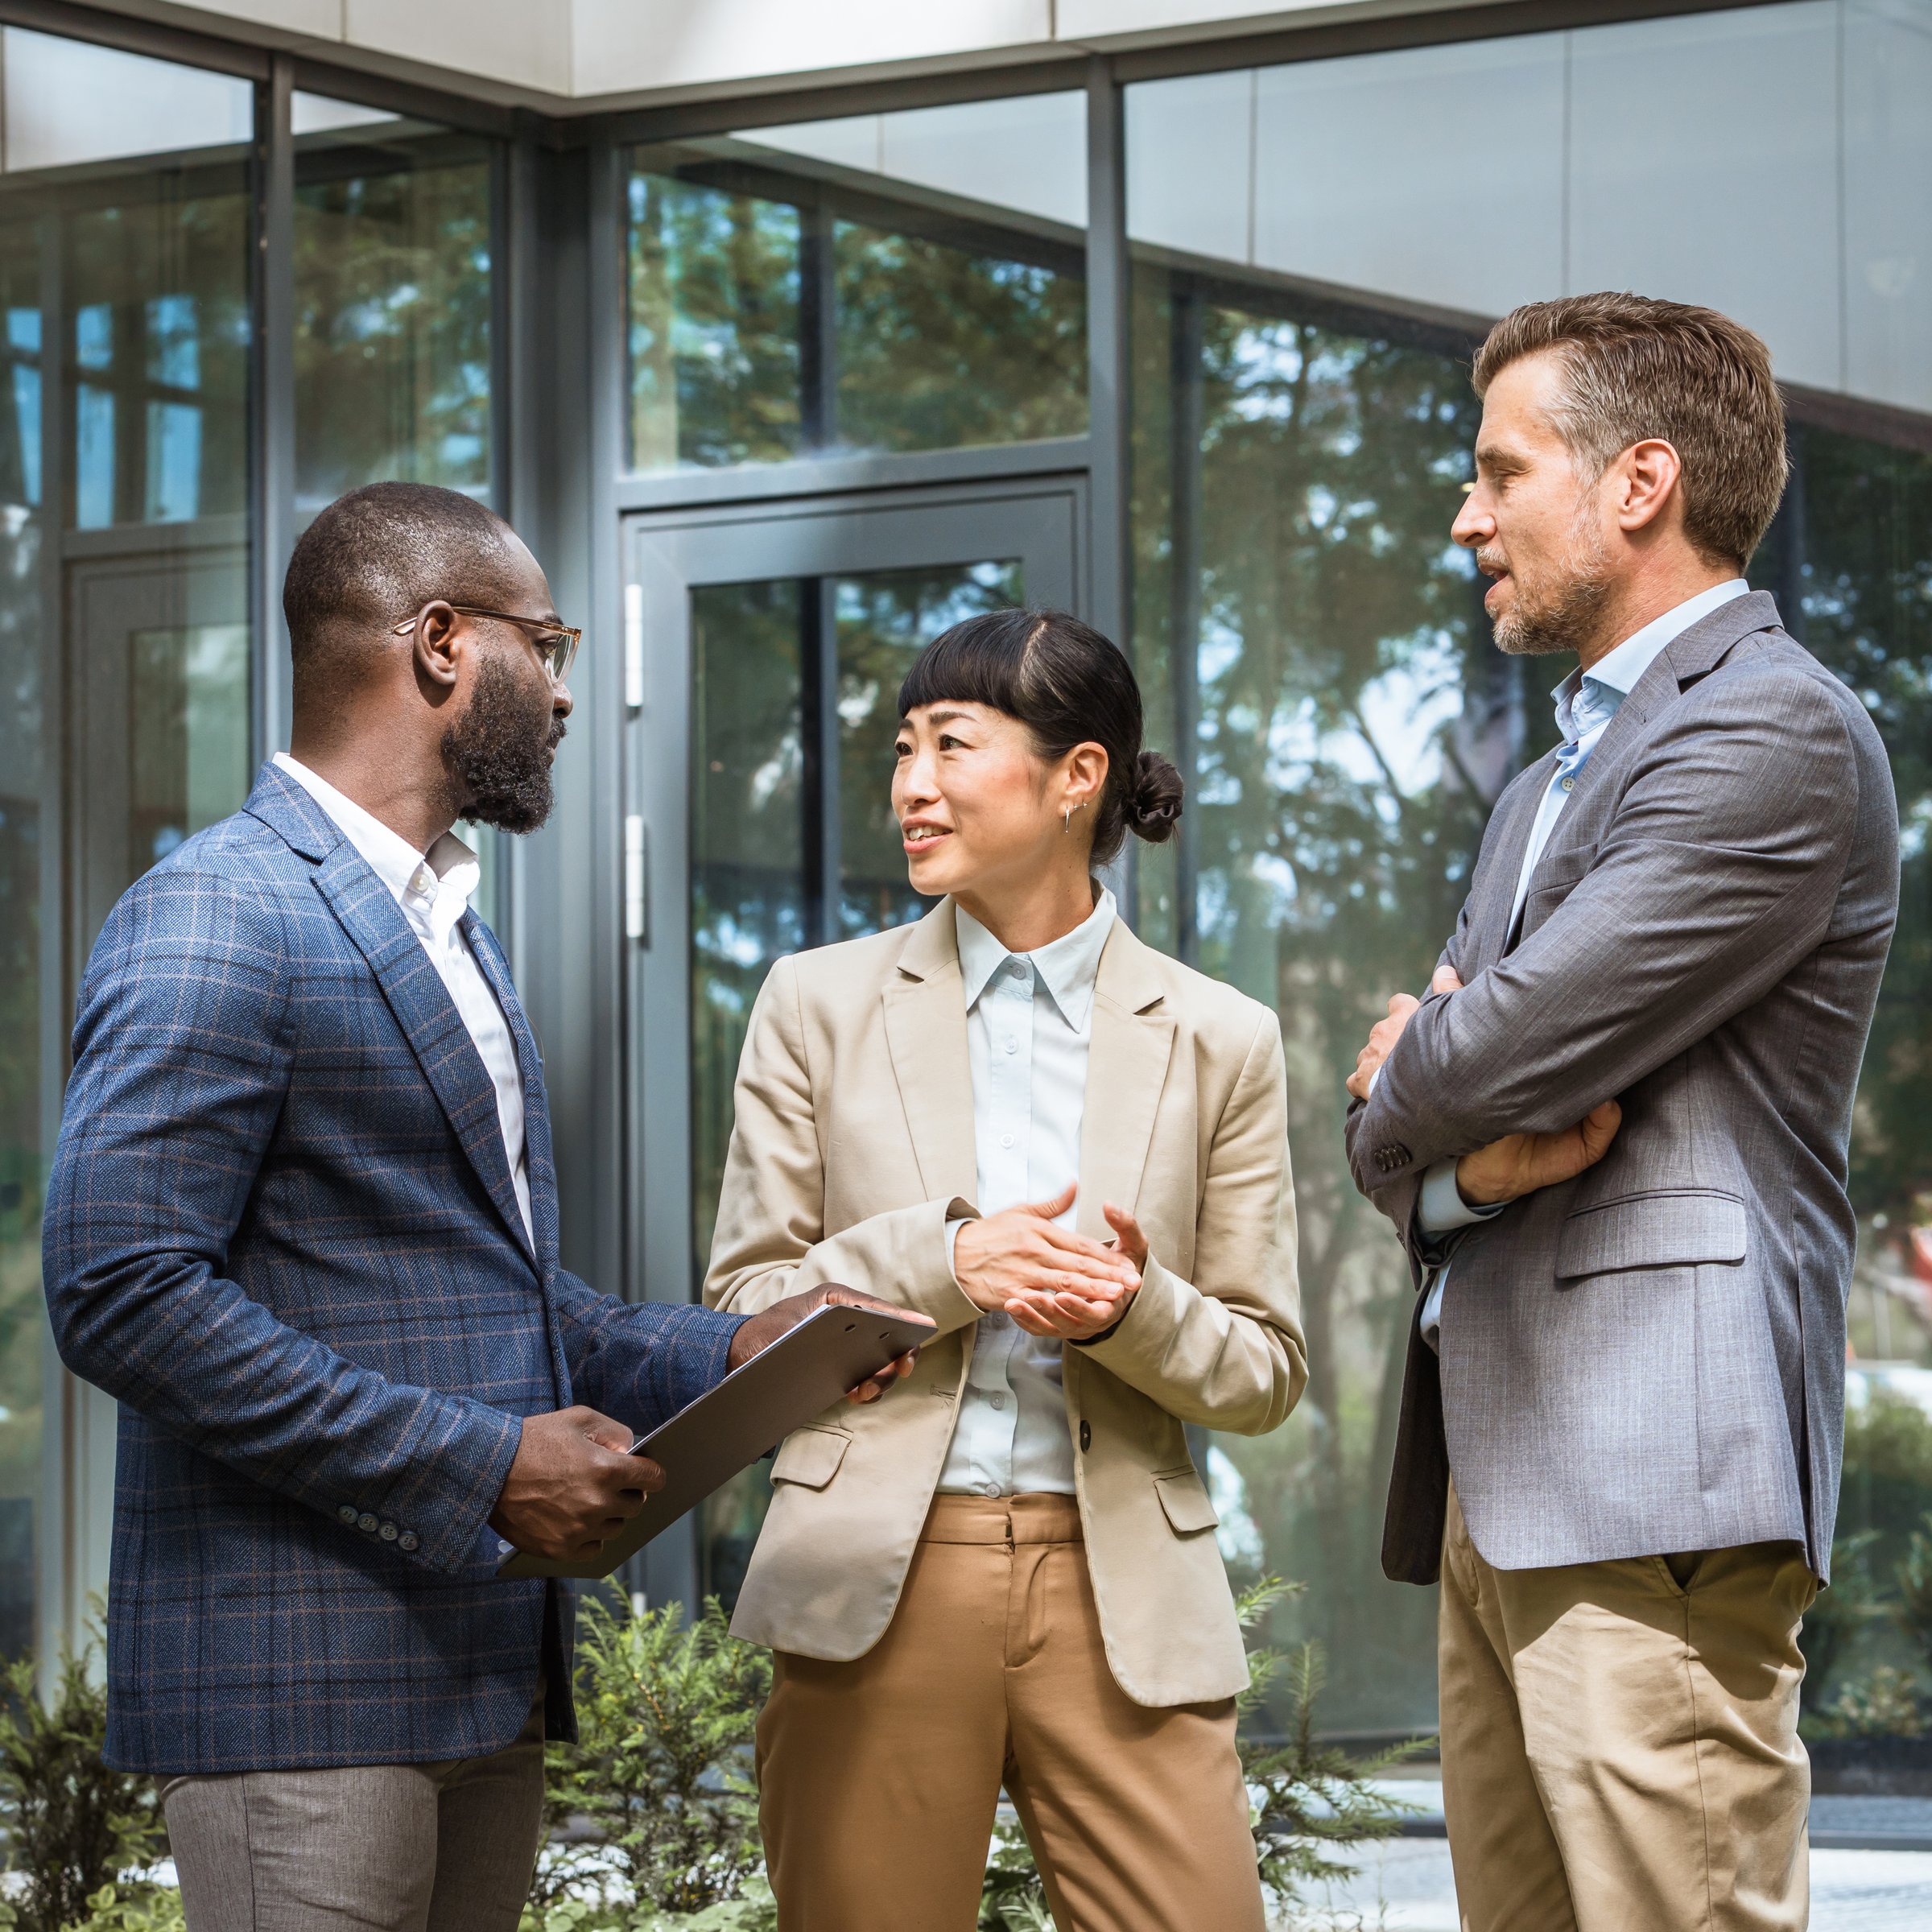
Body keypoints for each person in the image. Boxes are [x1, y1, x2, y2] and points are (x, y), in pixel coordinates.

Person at [42, 481, 919, 1932]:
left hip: (477, 1678)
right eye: (549, 645)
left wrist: (735, 1354)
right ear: (442, 642)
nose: (566, 694)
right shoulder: (217, 907)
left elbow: (491, 1291)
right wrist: (475, 1468)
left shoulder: (450, 925)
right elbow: (120, 1286)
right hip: (298, 1704)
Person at [1344, 294, 1900, 1930]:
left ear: (1641, 479)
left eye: (1500, 471)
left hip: (1658, 1471)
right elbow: (1398, 1128)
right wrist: (1451, 1164)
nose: (1467, 515)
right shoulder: (1541, 781)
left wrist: (1430, 1069)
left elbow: (1469, 1058)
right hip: (1493, 1478)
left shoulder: (1772, 728)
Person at [702, 608, 1304, 1932]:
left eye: (951, 745)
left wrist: (1131, 1310)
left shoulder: (1223, 1037)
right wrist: (949, 1261)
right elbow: (743, 1309)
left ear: (1076, 776)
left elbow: (1265, 1370)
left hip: (1126, 1594)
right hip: (878, 1579)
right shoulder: (814, 1005)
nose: (911, 785)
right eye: (903, 749)